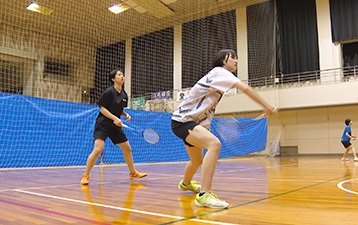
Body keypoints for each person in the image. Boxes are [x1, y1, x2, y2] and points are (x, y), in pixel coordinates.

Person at [171, 49, 275, 208]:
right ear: (223, 60)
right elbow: (246, 89)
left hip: (189, 122)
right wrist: (267, 106)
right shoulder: (220, 72)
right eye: (232, 58)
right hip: (184, 121)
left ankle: (185, 184)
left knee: (196, 160)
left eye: (236, 59)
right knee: (215, 144)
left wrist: (205, 128)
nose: (236, 61)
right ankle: (204, 195)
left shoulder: (216, 77)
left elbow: (205, 108)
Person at [80, 69, 147, 185]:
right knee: (98, 149)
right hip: (103, 124)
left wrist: (125, 114)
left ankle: (133, 173)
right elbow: (103, 108)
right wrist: (114, 118)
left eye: (123, 75)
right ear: (113, 79)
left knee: (127, 148)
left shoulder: (124, 95)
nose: (122, 77)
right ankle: (85, 175)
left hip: (115, 126)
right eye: (119, 75)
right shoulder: (109, 92)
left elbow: (119, 109)